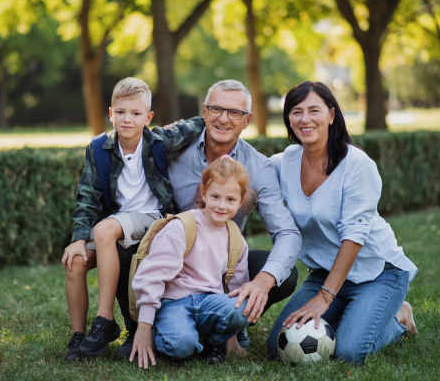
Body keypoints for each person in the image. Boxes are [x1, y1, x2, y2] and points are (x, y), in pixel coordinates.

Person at [116, 79, 302, 358]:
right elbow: (126, 146)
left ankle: (219, 334)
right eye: (216, 109)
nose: (223, 119)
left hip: (218, 266)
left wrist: (262, 282)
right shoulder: (173, 148)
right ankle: (141, 330)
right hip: (169, 255)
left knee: (281, 275)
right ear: (204, 112)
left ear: (247, 120)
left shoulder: (258, 167)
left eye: (235, 113)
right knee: (123, 246)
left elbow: (287, 233)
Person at [266, 81, 418, 364]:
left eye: (314, 110)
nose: (305, 119)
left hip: (378, 271)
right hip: (326, 271)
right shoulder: (283, 162)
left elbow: (354, 236)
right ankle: (352, 310)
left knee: (349, 353)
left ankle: (398, 318)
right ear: (288, 118)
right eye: (296, 111)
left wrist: (324, 298)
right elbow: (247, 174)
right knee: (277, 347)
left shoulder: (356, 164)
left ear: (331, 115)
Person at [61, 77, 204, 361]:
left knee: (104, 231)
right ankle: (78, 337)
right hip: (116, 220)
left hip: (151, 218)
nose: (128, 119)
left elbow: (196, 124)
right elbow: (87, 196)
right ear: (111, 113)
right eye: (122, 112)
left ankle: (105, 321)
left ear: (148, 117)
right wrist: (78, 239)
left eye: (137, 114)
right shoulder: (98, 148)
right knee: (75, 262)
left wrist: (214, 115)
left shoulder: (159, 141)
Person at [130, 156, 254, 368]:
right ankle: (171, 336)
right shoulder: (183, 227)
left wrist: (230, 337)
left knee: (246, 306)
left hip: (210, 303)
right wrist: (143, 326)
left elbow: (236, 288)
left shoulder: (235, 238)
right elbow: (152, 276)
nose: (222, 206)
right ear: (203, 193)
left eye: (230, 200)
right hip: (174, 303)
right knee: (181, 346)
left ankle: (215, 343)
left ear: (240, 202)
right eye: (215, 196)